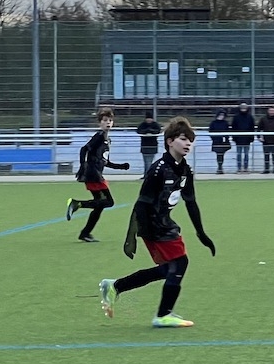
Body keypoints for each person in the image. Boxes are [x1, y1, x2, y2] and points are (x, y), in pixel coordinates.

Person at [99, 117, 216, 329]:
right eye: (183, 139)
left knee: (168, 269)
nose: (188, 143)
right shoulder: (158, 170)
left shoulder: (186, 170)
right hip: (153, 225)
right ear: (170, 141)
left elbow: (191, 202)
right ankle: (163, 315)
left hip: (166, 223)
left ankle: (115, 287)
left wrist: (201, 233)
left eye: (190, 140)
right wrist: (133, 235)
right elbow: (141, 204)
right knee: (179, 263)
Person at [67, 107, 130, 243]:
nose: (108, 123)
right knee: (109, 202)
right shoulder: (99, 136)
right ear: (100, 123)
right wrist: (83, 165)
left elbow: (104, 161)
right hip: (93, 174)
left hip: (96, 173)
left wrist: (120, 166)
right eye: (105, 120)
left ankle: (85, 233)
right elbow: (84, 149)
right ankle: (77, 204)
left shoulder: (107, 140)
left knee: (99, 206)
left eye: (110, 120)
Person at [257, 105, 274, 174]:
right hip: (265, 140)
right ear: (268, 111)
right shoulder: (263, 119)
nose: (271, 112)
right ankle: (266, 169)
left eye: (273, 111)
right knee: (266, 155)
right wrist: (259, 137)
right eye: (270, 111)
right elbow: (259, 128)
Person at [230, 102, 255, 173]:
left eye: (244, 108)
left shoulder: (250, 117)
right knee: (239, 154)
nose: (243, 109)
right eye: (242, 108)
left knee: (246, 154)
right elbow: (233, 128)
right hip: (238, 139)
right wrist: (234, 137)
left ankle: (246, 168)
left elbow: (252, 128)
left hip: (247, 139)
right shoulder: (236, 117)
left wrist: (251, 137)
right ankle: (239, 168)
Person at [208, 109, 232, 174]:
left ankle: (220, 167)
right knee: (219, 155)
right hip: (216, 142)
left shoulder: (225, 123)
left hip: (224, 142)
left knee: (221, 155)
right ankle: (219, 167)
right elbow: (210, 132)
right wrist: (215, 138)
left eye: (223, 115)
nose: (221, 116)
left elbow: (228, 131)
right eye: (220, 115)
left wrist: (226, 139)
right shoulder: (213, 123)